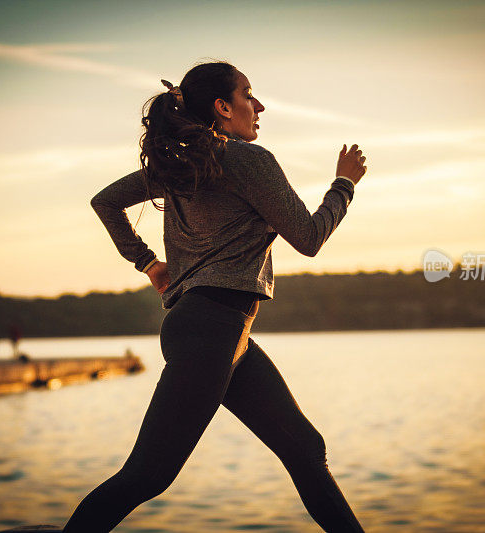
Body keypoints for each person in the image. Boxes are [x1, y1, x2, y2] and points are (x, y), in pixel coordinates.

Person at [64, 61, 367, 532]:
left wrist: (148, 264)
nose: (259, 105)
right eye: (248, 94)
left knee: (305, 448)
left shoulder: (182, 164)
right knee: (147, 476)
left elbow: (104, 201)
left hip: (220, 332)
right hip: (213, 329)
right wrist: (343, 185)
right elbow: (308, 237)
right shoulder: (249, 160)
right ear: (223, 108)